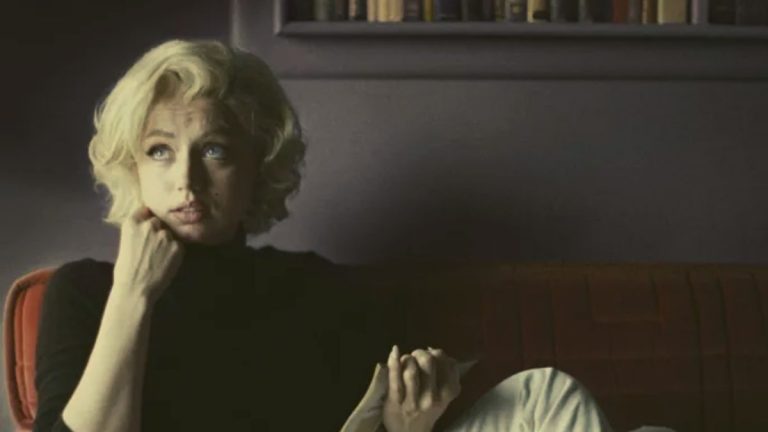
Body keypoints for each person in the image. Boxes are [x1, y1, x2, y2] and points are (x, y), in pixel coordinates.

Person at [33, 39, 613, 432]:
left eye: (214, 150)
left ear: (257, 165)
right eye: (160, 151)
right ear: (132, 165)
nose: (186, 179)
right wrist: (133, 295)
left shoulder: (312, 288)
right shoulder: (85, 293)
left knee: (544, 394)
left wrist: (411, 423)